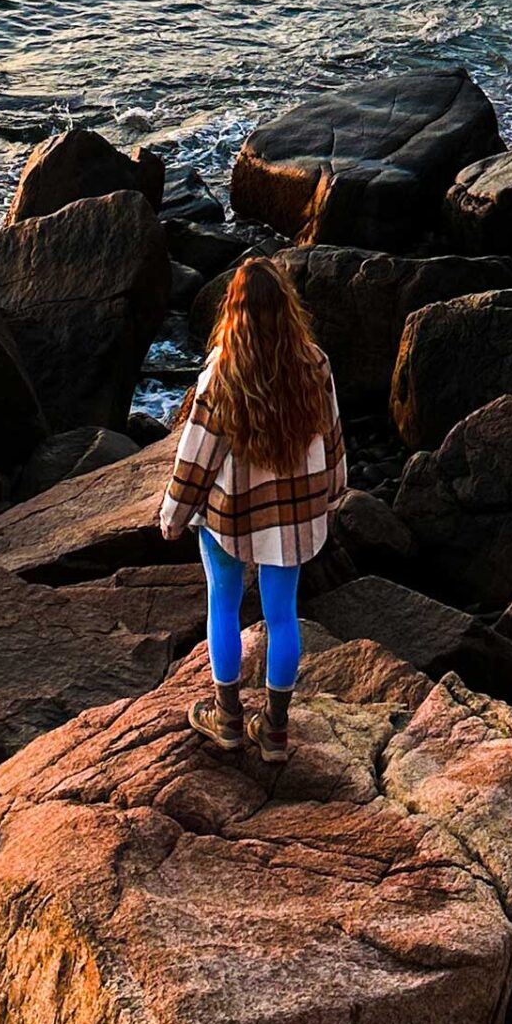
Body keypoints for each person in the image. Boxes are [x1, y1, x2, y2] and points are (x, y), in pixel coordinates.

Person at [158, 255, 347, 765]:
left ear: (234, 310)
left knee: (222, 605)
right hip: (293, 517)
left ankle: (227, 718)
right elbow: (332, 438)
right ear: (287, 308)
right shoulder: (315, 364)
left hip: (232, 518)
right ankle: (276, 730)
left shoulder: (223, 372)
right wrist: (334, 494)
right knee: (282, 615)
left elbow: (196, 457)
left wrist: (173, 516)